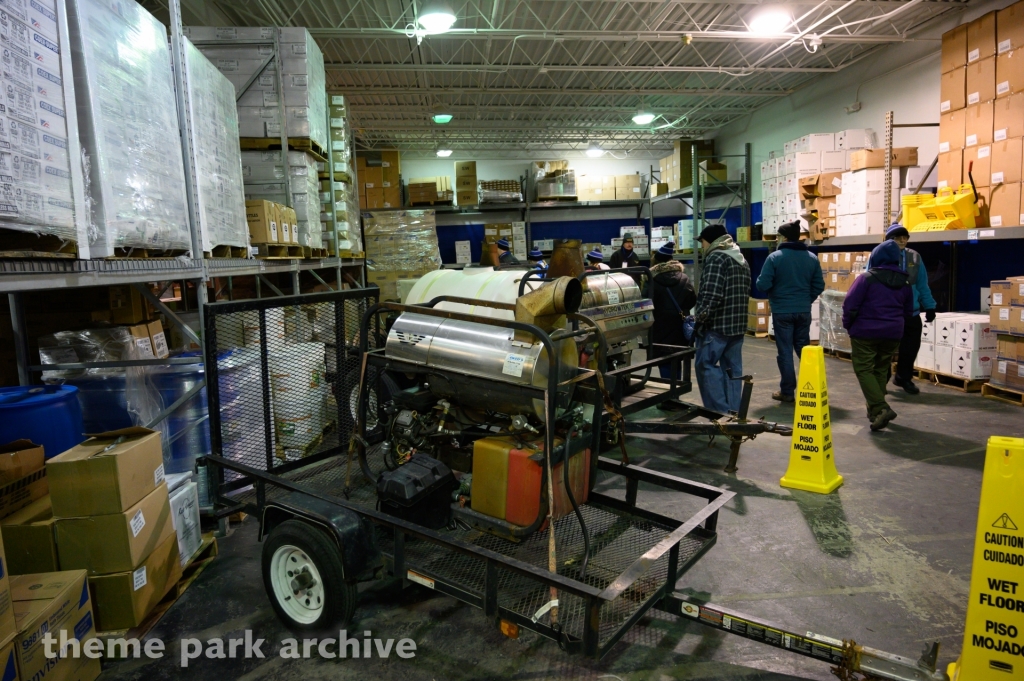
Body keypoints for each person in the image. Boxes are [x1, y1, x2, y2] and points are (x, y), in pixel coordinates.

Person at [842, 240, 913, 431]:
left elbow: (850, 305)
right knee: (881, 369)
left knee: (864, 369)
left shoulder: (866, 279)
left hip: (865, 332)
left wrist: (848, 325)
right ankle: (875, 412)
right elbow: (908, 311)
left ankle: (881, 407)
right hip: (893, 334)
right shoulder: (905, 282)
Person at [755, 220, 825, 403]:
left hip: (782, 311)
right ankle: (812, 388)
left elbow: (762, 284)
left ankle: (787, 391)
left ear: (784, 237)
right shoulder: (811, 258)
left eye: (778, 235)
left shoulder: (774, 258)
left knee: (785, 351)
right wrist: (806, 300)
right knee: (804, 350)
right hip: (803, 311)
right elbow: (819, 285)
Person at [867, 224, 937, 395]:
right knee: (884, 349)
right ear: (889, 240)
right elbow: (869, 280)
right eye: (898, 237)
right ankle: (882, 379)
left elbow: (922, 284)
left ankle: (903, 377)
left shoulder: (915, 257)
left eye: (905, 237)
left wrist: (929, 306)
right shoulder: (879, 255)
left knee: (910, 348)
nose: (903, 240)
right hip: (888, 312)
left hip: (911, 311)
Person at [692, 224, 751, 414]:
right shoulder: (740, 258)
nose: (702, 246)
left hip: (717, 326)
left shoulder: (717, 257)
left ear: (710, 240)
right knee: (732, 371)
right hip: (738, 326)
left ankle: (718, 412)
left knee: (705, 365)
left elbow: (711, 295)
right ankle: (734, 412)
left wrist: (699, 320)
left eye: (702, 242)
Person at [646, 242, 696, 386]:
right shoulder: (684, 278)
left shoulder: (652, 280)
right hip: (679, 326)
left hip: (659, 327)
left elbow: (646, 303)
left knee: (663, 359)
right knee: (677, 357)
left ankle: (669, 391)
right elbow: (692, 300)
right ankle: (675, 391)